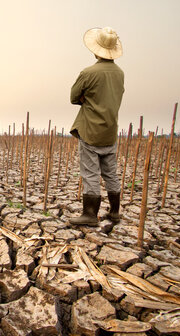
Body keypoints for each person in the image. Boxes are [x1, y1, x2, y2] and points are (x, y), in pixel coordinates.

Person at [69, 27, 125, 226]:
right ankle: (115, 212)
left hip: (91, 130)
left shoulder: (89, 72)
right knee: (111, 172)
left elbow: (74, 97)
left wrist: (87, 98)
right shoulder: (120, 73)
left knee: (91, 173)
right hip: (110, 131)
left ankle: (90, 215)